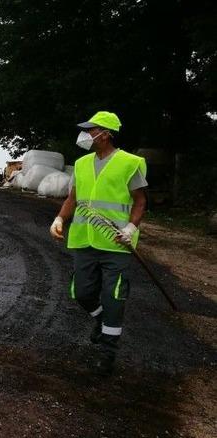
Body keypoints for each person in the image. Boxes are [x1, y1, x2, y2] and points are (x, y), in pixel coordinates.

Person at [49, 111, 147, 376]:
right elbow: (73, 198)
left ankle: (107, 353)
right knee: (82, 293)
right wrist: (59, 218)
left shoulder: (130, 163)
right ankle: (100, 319)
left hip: (116, 243)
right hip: (85, 241)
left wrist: (130, 227)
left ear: (106, 134)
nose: (86, 135)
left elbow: (140, 201)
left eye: (91, 130)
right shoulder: (81, 164)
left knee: (114, 298)